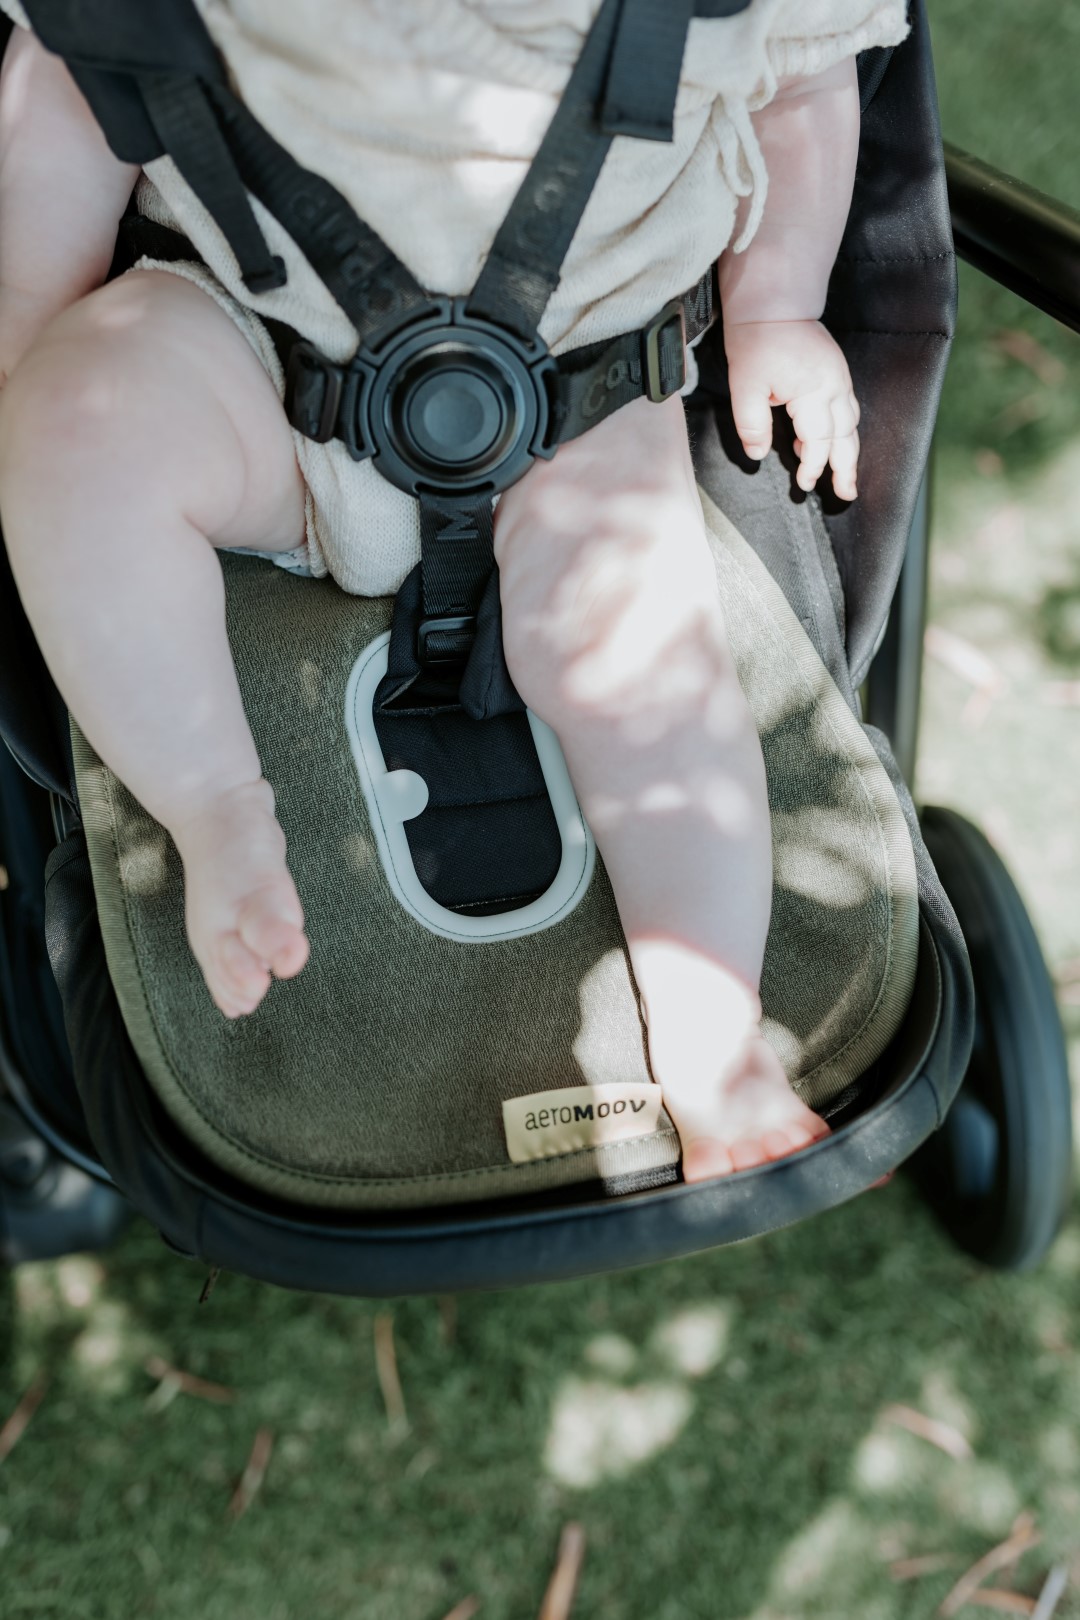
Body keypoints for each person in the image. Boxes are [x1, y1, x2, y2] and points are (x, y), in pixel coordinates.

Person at [0, 0, 907, 1181]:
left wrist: (778, 303)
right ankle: (212, 798)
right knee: (76, 424)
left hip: (584, 383)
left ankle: (710, 1032)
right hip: (251, 335)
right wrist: (28, 335)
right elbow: (77, 70)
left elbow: (802, 74)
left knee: (644, 664)